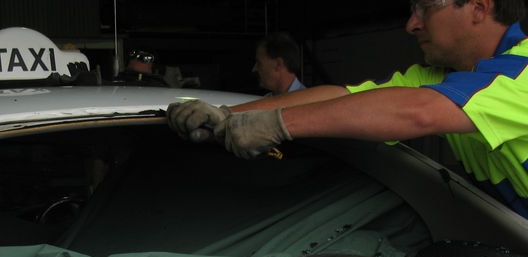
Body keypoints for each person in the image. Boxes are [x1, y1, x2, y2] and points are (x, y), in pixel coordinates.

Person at [167, 0, 528, 218]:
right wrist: (229, 116)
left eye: (425, 8)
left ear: (478, 8)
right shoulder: (447, 77)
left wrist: (277, 124)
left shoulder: (522, 73)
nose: (412, 23)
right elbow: (339, 97)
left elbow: (418, 111)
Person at [253, 32, 307, 96]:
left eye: (259, 63)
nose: (254, 69)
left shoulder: (309, 103)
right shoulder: (266, 99)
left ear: (278, 64)